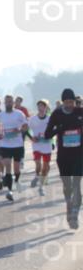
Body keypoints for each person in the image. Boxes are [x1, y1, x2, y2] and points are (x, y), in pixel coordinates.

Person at [44, 88, 83, 230]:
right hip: (64, 156)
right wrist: (58, 129)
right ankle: (69, 206)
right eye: (66, 102)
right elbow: (47, 135)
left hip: (79, 155)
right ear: (62, 102)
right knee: (67, 186)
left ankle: (74, 216)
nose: (69, 105)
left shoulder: (80, 112)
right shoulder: (57, 114)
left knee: (77, 184)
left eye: (71, 101)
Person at [0, 94, 29, 201]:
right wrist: (0, 132)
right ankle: (9, 191)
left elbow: (25, 126)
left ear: (13, 103)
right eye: (7, 102)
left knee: (16, 169)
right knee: (8, 167)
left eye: (10, 101)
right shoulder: (1, 115)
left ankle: (17, 181)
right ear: (4, 103)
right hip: (5, 145)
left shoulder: (19, 114)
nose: (8, 103)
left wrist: (18, 130)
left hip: (17, 145)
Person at [27, 99, 52, 193]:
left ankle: (41, 186)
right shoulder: (33, 119)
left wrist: (50, 138)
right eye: (39, 106)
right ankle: (37, 176)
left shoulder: (50, 119)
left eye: (42, 106)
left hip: (47, 145)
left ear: (46, 108)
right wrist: (31, 138)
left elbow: (54, 130)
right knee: (38, 164)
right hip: (37, 145)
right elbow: (27, 129)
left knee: (46, 167)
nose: (40, 108)